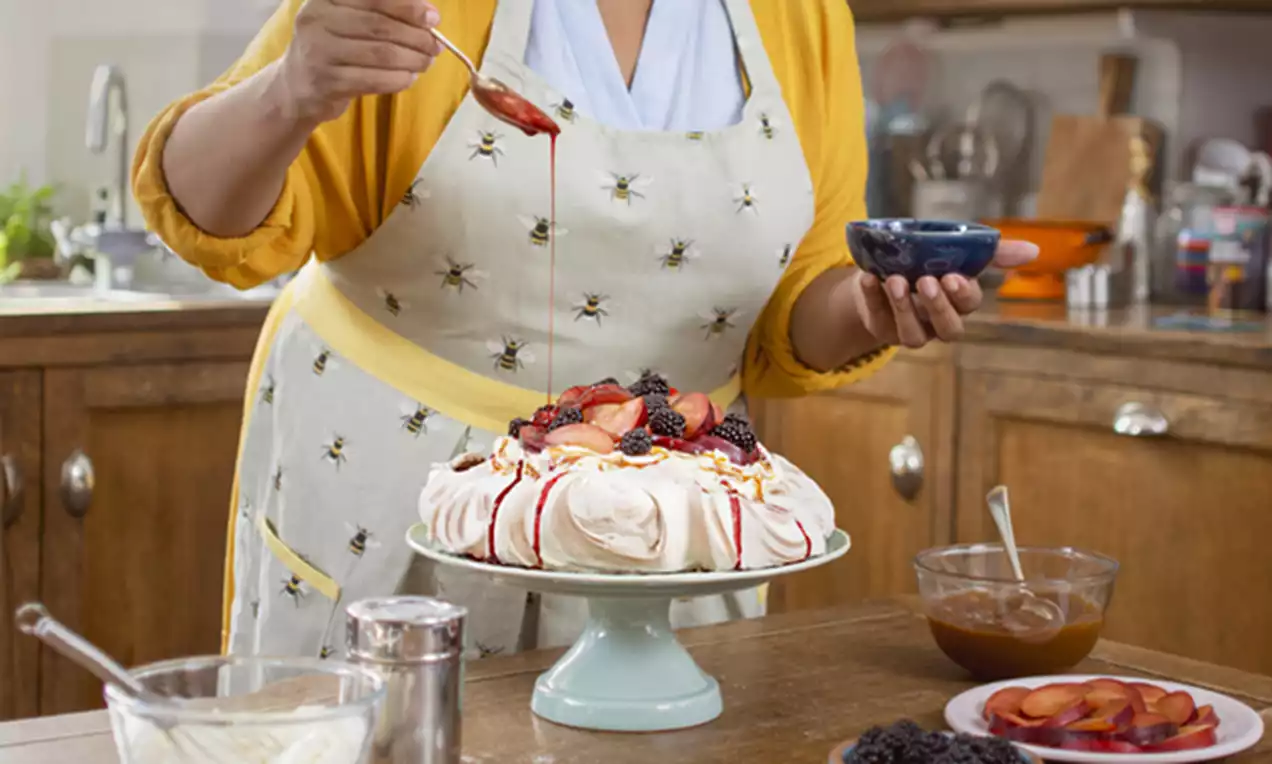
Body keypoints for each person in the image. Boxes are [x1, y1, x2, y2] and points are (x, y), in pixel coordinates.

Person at [134, 0, 1038, 660]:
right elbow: (206, 217)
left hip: (670, 526)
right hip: (396, 502)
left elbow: (796, 298)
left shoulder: (800, 15)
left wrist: (872, 306)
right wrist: (292, 88)